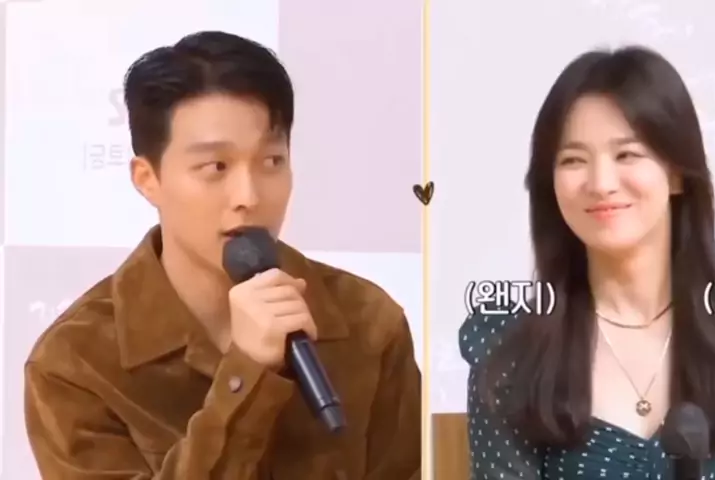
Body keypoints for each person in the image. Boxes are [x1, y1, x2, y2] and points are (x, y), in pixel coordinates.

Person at [24, 31, 421, 480]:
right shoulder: (76, 362)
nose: (248, 195)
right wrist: (245, 374)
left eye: (272, 162)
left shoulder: (368, 323)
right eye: (216, 167)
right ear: (148, 179)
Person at [459, 45, 715, 479]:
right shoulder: (510, 349)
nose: (601, 183)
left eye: (627, 154)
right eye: (573, 160)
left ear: (676, 172)